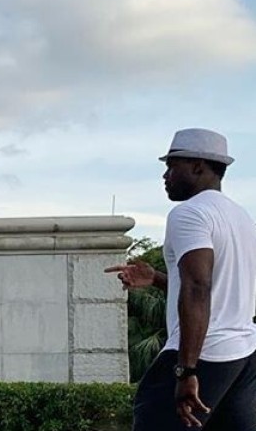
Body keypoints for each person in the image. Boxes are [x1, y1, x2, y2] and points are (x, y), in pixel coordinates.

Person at [105, 128, 256, 430]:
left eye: (172, 166)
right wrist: (159, 278)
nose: (165, 175)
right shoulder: (241, 218)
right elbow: (220, 286)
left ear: (198, 166)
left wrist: (186, 370)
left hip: (203, 354)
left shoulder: (189, 213)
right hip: (243, 356)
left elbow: (199, 287)